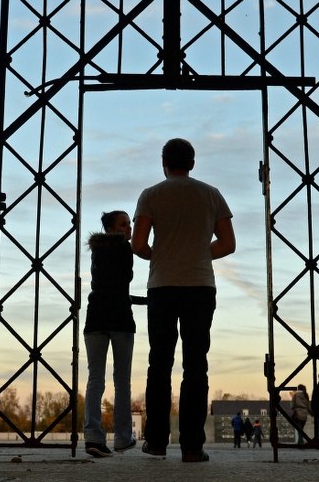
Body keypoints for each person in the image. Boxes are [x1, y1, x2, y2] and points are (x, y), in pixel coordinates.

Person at [132, 138, 236, 463]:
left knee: (159, 364)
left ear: (164, 162)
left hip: (162, 286)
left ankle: (157, 442)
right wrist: (198, 253)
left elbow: (137, 244)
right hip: (200, 286)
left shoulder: (151, 194)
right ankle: (192, 446)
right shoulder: (211, 194)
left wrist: (160, 255)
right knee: (195, 365)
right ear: (192, 162)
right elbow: (228, 243)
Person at [82, 211, 147, 458]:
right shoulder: (123, 249)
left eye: (130, 224)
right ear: (111, 228)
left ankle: (93, 437)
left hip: (96, 318)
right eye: (124, 224)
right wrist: (146, 300)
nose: (129, 228)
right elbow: (120, 287)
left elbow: (106, 287)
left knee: (95, 379)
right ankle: (121, 438)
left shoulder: (98, 251)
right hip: (120, 319)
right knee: (122, 381)